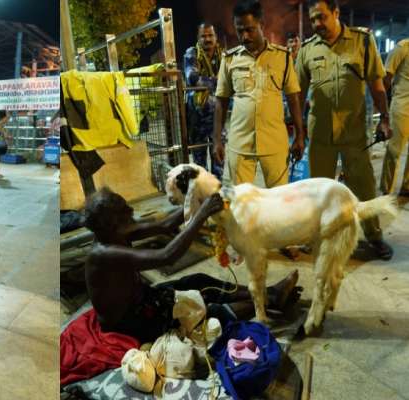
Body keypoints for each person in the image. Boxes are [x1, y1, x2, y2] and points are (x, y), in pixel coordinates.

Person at [84, 188, 301, 342]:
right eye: (125, 210)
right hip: (129, 323)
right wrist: (202, 214)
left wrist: (197, 200)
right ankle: (269, 298)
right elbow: (166, 256)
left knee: (198, 281)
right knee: (202, 311)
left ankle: (270, 294)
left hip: (142, 300)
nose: (131, 211)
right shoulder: (105, 253)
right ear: (114, 223)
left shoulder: (115, 232)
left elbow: (166, 224)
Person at [296, 0, 394, 260]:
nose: (317, 24)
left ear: (336, 13)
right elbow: (297, 92)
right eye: (313, 19)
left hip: (354, 135)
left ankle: (373, 236)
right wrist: (296, 130)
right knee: (317, 191)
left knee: (364, 188)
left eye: (322, 17)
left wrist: (384, 119)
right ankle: (314, 236)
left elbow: (377, 84)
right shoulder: (307, 50)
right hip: (320, 137)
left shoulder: (362, 42)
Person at [213, 0, 306, 188]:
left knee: (279, 198)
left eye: (249, 29)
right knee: (241, 200)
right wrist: (217, 140)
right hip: (240, 144)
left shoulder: (283, 57)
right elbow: (221, 101)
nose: (244, 36)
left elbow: (293, 98)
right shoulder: (230, 60)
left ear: (261, 25)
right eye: (240, 30)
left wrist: (299, 135)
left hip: (274, 143)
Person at [184, 23, 224, 179]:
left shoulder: (223, 55)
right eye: (203, 36)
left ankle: (217, 196)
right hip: (197, 119)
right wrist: (219, 81)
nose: (207, 39)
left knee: (219, 164)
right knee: (200, 169)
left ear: (216, 37)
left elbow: (231, 80)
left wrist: (210, 81)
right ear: (198, 38)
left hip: (218, 120)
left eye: (210, 35)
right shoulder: (191, 53)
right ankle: (203, 199)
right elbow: (192, 78)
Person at [380, 38, 409, 197]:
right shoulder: (402, 48)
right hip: (402, 108)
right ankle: (386, 189)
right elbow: (386, 78)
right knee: (394, 151)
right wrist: (383, 110)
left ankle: (407, 186)